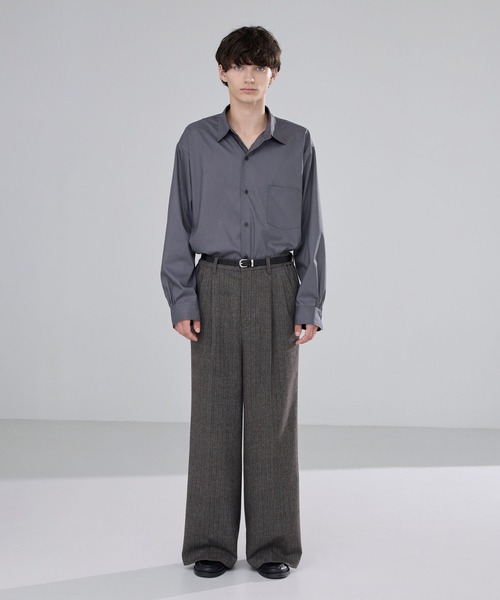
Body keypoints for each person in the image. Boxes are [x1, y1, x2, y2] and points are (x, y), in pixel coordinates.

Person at [160, 25, 326, 580]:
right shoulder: (195, 141)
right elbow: (178, 222)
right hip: (213, 283)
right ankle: (210, 543)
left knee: (273, 419)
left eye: (260, 66)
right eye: (239, 65)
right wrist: (181, 296)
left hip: (277, 284)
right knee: (213, 417)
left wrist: (308, 303)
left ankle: (273, 544)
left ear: (274, 74)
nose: (249, 76)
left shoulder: (298, 142)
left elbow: (313, 229)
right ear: (222, 72)